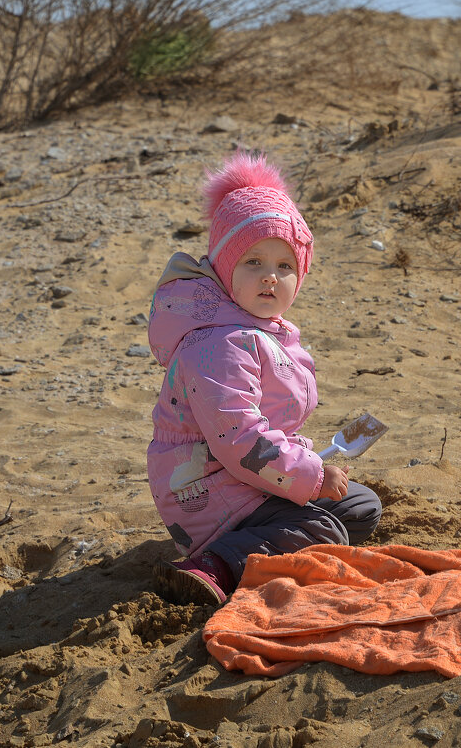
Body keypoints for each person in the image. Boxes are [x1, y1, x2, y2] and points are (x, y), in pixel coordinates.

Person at [145, 151, 382, 605]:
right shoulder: (220, 343)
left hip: (245, 476)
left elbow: (262, 425)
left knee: (359, 507)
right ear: (222, 266)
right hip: (206, 491)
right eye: (253, 262)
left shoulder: (257, 329)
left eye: (285, 266)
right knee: (323, 530)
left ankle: (255, 541)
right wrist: (311, 477)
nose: (271, 277)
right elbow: (238, 437)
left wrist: (308, 458)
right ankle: (212, 566)